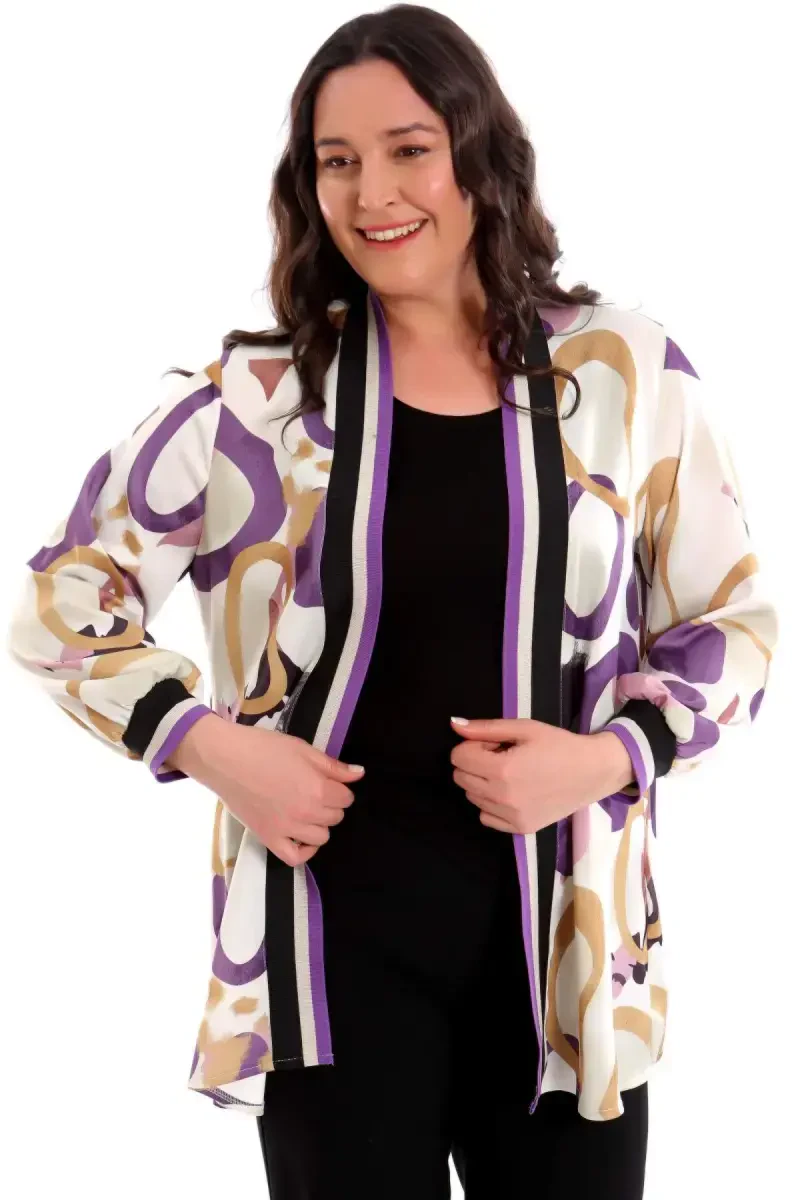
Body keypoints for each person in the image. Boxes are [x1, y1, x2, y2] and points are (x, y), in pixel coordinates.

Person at [6, 5, 778, 1199]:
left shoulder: (624, 373)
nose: (372, 193)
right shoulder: (253, 402)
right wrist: (210, 747)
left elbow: (729, 628)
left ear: (478, 154)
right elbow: (60, 599)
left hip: (566, 959)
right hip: (329, 965)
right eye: (337, 160)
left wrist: (604, 758)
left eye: (409, 149)